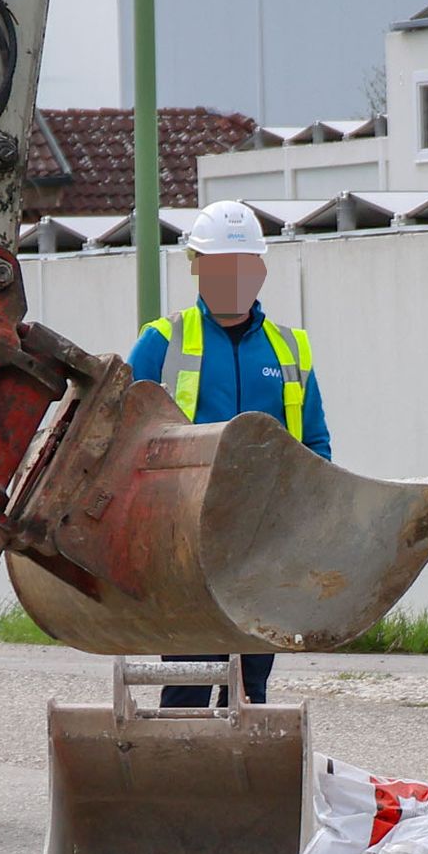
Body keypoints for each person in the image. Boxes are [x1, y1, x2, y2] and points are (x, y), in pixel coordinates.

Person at [126, 199, 329, 706]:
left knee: (250, 686)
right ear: (197, 268)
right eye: (219, 267)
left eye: (241, 267)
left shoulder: (290, 349)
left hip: (263, 541)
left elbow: (315, 446)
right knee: (191, 681)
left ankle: (241, 777)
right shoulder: (162, 342)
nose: (231, 278)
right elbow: (119, 431)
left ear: (259, 271)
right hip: (184, 542)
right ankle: (184, 774)